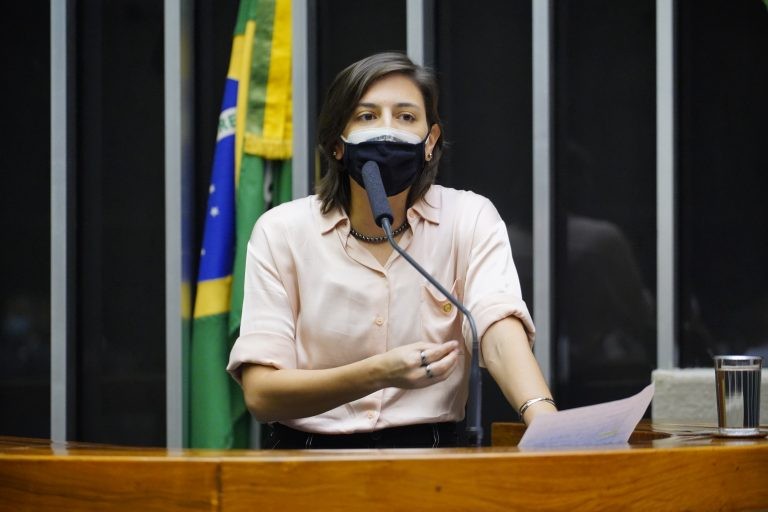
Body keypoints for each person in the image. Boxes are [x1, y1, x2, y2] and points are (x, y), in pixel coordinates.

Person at [227, 52, 556, 449]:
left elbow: (498, 330)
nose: (388, 131)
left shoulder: (469, 217)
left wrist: (545, 421)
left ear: (430, 141)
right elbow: (261, 394)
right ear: (337, 144)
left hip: (433, 458)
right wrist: (378, 372)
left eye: (405, 117)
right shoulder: (282, 231)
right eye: (367, 117)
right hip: (308, 461)